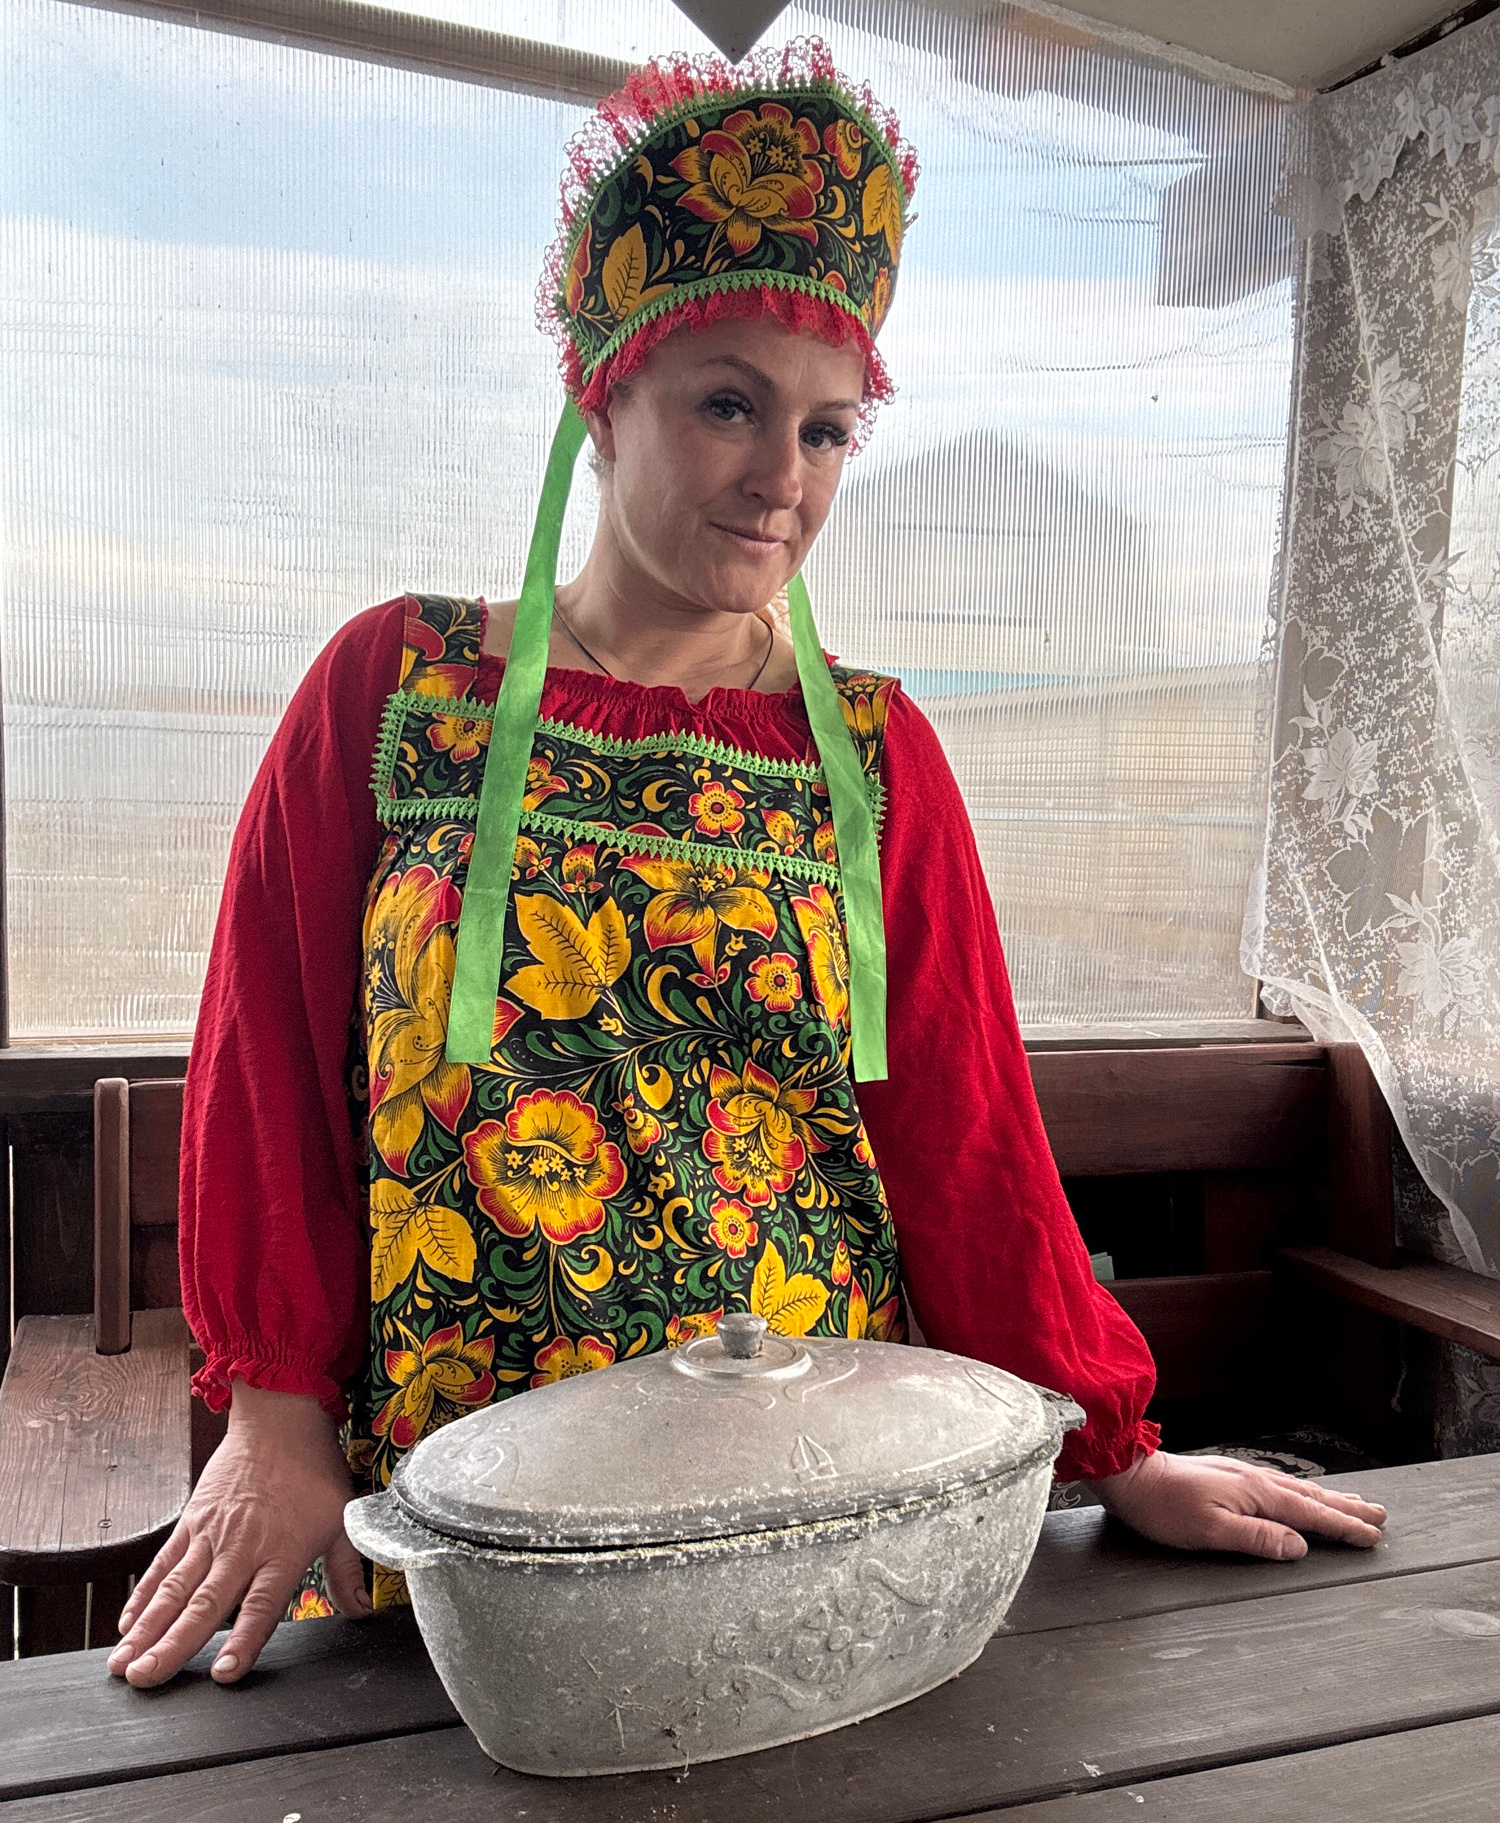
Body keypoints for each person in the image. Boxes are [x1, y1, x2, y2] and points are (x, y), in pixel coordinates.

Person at [109, 42, 1384, 1691]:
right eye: (729, 404)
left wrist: (1113, 1446)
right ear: (602, 396)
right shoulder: (396, 688)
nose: (784, 477)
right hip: (456, 1500)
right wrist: (276, 1418)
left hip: (814, 1499)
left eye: (828, 429)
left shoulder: (873, 751)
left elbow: (961, 1127)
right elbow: (266, 1060)